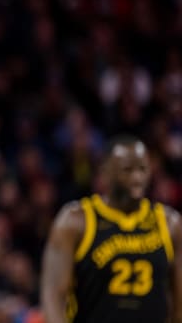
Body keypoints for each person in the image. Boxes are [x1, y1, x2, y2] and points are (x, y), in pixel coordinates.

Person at [41, 135, 182, 323]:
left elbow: (179, 304)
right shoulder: (76, 221)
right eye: (127, 170)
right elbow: (53, 296)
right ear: (105, 172)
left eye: (143, 169)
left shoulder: (170, 223)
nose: (137, 177)